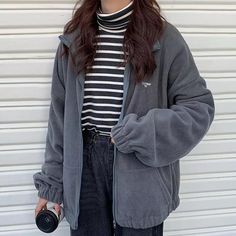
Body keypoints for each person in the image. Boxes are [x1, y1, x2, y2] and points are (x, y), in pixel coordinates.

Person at [33, 0, 215, 235]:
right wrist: (51, 186)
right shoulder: (75, 39)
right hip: (84, 174)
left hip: (141, 173)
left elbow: (199, 107)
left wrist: (141, 133)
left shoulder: (163, 38)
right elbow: (59, 120)